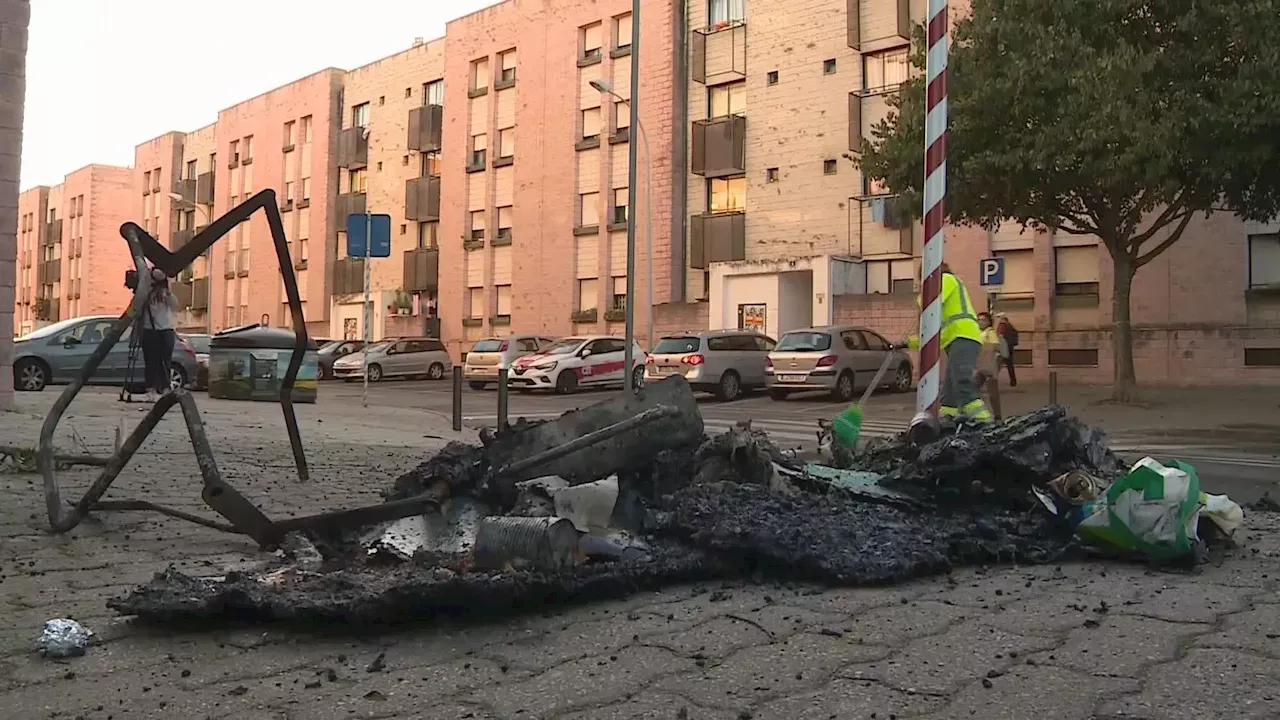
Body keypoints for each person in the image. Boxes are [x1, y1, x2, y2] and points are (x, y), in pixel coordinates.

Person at [906, 263, 994, 424]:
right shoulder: (947, 284)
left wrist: (921, 297)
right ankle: (948, 418)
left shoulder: (947, 279)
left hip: (964, 336)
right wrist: (909, 342)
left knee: (961, 381)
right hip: (959, 338)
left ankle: (984, 421)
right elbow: (932, 334)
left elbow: (929, 302)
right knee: (950, 390)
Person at [140, 267, 179, 401]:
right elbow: (138, 308)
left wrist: (166, 294)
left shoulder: (167, 296)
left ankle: (165, 388)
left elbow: (175, 306)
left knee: (165, 361)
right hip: (149, 330)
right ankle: (151, 388)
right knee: (151, 361)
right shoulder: (145, 294)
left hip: (165, 330)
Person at [976, 312, 1003, 421]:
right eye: (979, 320)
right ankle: (976, 413)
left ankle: (998, 416)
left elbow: (994, 348)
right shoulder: (979, 332)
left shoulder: (990, 333)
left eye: (983, 320)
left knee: (992, 393)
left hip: (988, 367)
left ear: (988, 322)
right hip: (980, 366)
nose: (980, 322)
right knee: (972, 390)